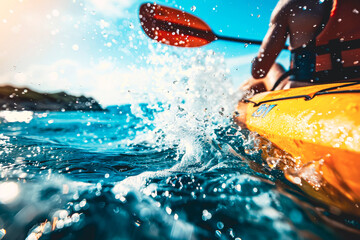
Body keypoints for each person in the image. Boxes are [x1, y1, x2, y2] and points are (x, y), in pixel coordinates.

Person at [241, 0, 360, 94]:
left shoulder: (291, 3)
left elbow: (258, 72)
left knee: (272, 67)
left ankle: (238, 104)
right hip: (354, 85)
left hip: (304, 90)